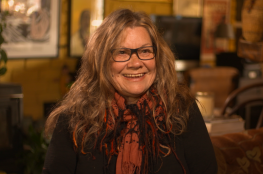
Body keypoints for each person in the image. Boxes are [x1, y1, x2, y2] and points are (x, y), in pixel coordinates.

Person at [43, 8, 217, 174]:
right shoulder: (73, 119)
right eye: (122, 52)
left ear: (157, 57)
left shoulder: (182, 110)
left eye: (145, 51)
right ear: (102, 60)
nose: (135, 63)